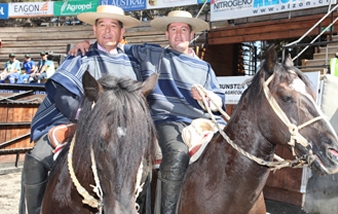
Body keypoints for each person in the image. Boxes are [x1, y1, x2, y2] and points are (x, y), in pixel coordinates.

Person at [71, 10, 226, 214]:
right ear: (166, 34)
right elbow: (112, 43)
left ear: (191, 35)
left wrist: (207, 98)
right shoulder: (151, 54)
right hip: (168, 120)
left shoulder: (205, 68)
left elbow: (219, 101)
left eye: (183, 30)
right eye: (173, 29)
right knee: (177, 153)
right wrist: (87, 43)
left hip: (203, 121)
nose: (178, 34)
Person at [19, 5, 141, 214]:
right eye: (102, 25)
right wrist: (85, 116)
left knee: (150, 164)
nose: (108, 30)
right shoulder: (80, 55)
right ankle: (35, 210)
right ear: (94, 30)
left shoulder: (132, 63)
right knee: (36, 158)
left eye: (113, 26)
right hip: (76, 121)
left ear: (122, 32)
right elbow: (62, 95)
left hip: (119, 132)